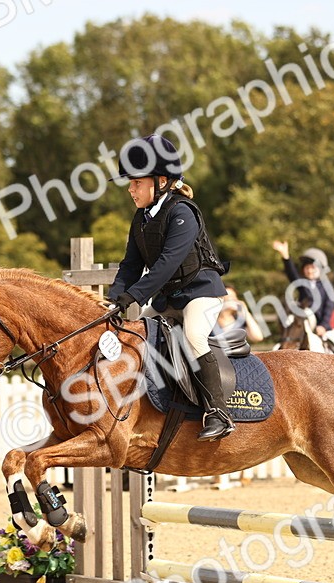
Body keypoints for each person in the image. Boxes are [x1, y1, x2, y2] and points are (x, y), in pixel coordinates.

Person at [107, 133, 234, 441]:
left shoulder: (183, 213)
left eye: (137, 182)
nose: (130, 189)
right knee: (132, 334)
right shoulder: (140, 219)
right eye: (131, 183)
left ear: (161, 181)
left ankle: (218, 412)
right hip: (169, 300)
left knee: (193, 336)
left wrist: (134, 295)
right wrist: (113, 301)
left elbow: (165, 264)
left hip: (201, 293)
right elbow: (130, 265)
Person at [272, 240, 334, 333]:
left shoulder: (327, 286)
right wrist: (285, 256)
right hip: (304, 327)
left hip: (321, 329)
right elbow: (292, 274)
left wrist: (323, 325)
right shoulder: (303, 285)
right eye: (307, 268)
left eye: (313, 268)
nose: (309, 271)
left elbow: (328, 308)